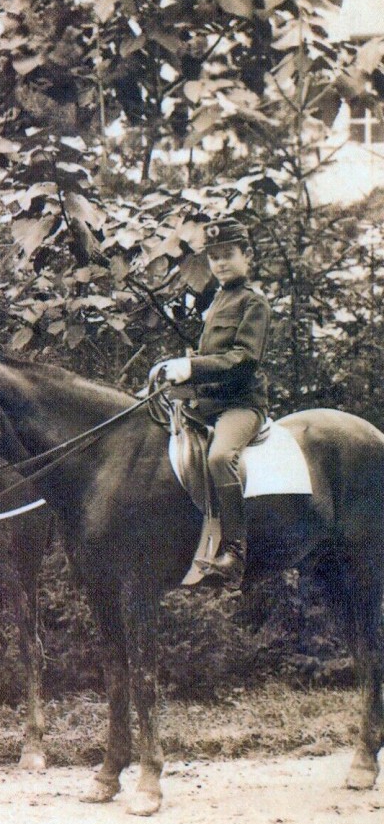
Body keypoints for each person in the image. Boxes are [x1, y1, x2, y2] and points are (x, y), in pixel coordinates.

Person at [158, 216, 271, 590]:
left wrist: (192, 367)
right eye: (214, 257)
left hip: (240, 405)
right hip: (207, 403)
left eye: (228, 255)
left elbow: (243, 360)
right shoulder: (218, 299)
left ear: (247, 255)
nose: (220, 263)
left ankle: (235, 551)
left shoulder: (254, 304)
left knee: (221, 457)